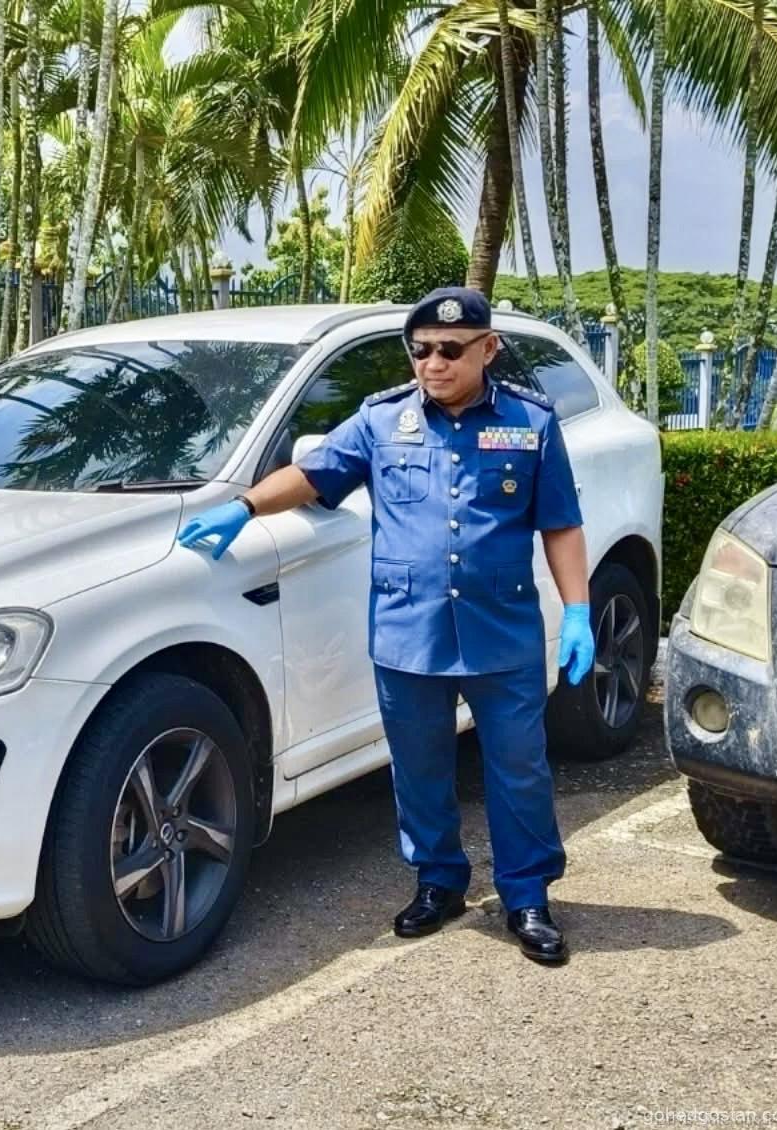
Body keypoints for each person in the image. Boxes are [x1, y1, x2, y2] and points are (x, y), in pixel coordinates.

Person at [177, 286, 594, 964]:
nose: (433, 363)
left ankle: (526, 897)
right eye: (421, 350)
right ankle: (438, 883)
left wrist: (577, 611)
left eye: (450, 350)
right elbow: (312, 475)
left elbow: (561, 524)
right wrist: (245, 507)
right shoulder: (380, 420)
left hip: (501, 630)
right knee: (419, 769)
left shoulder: (530, 423)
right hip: (409, 634)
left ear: (488, 349)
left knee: (518, 770)